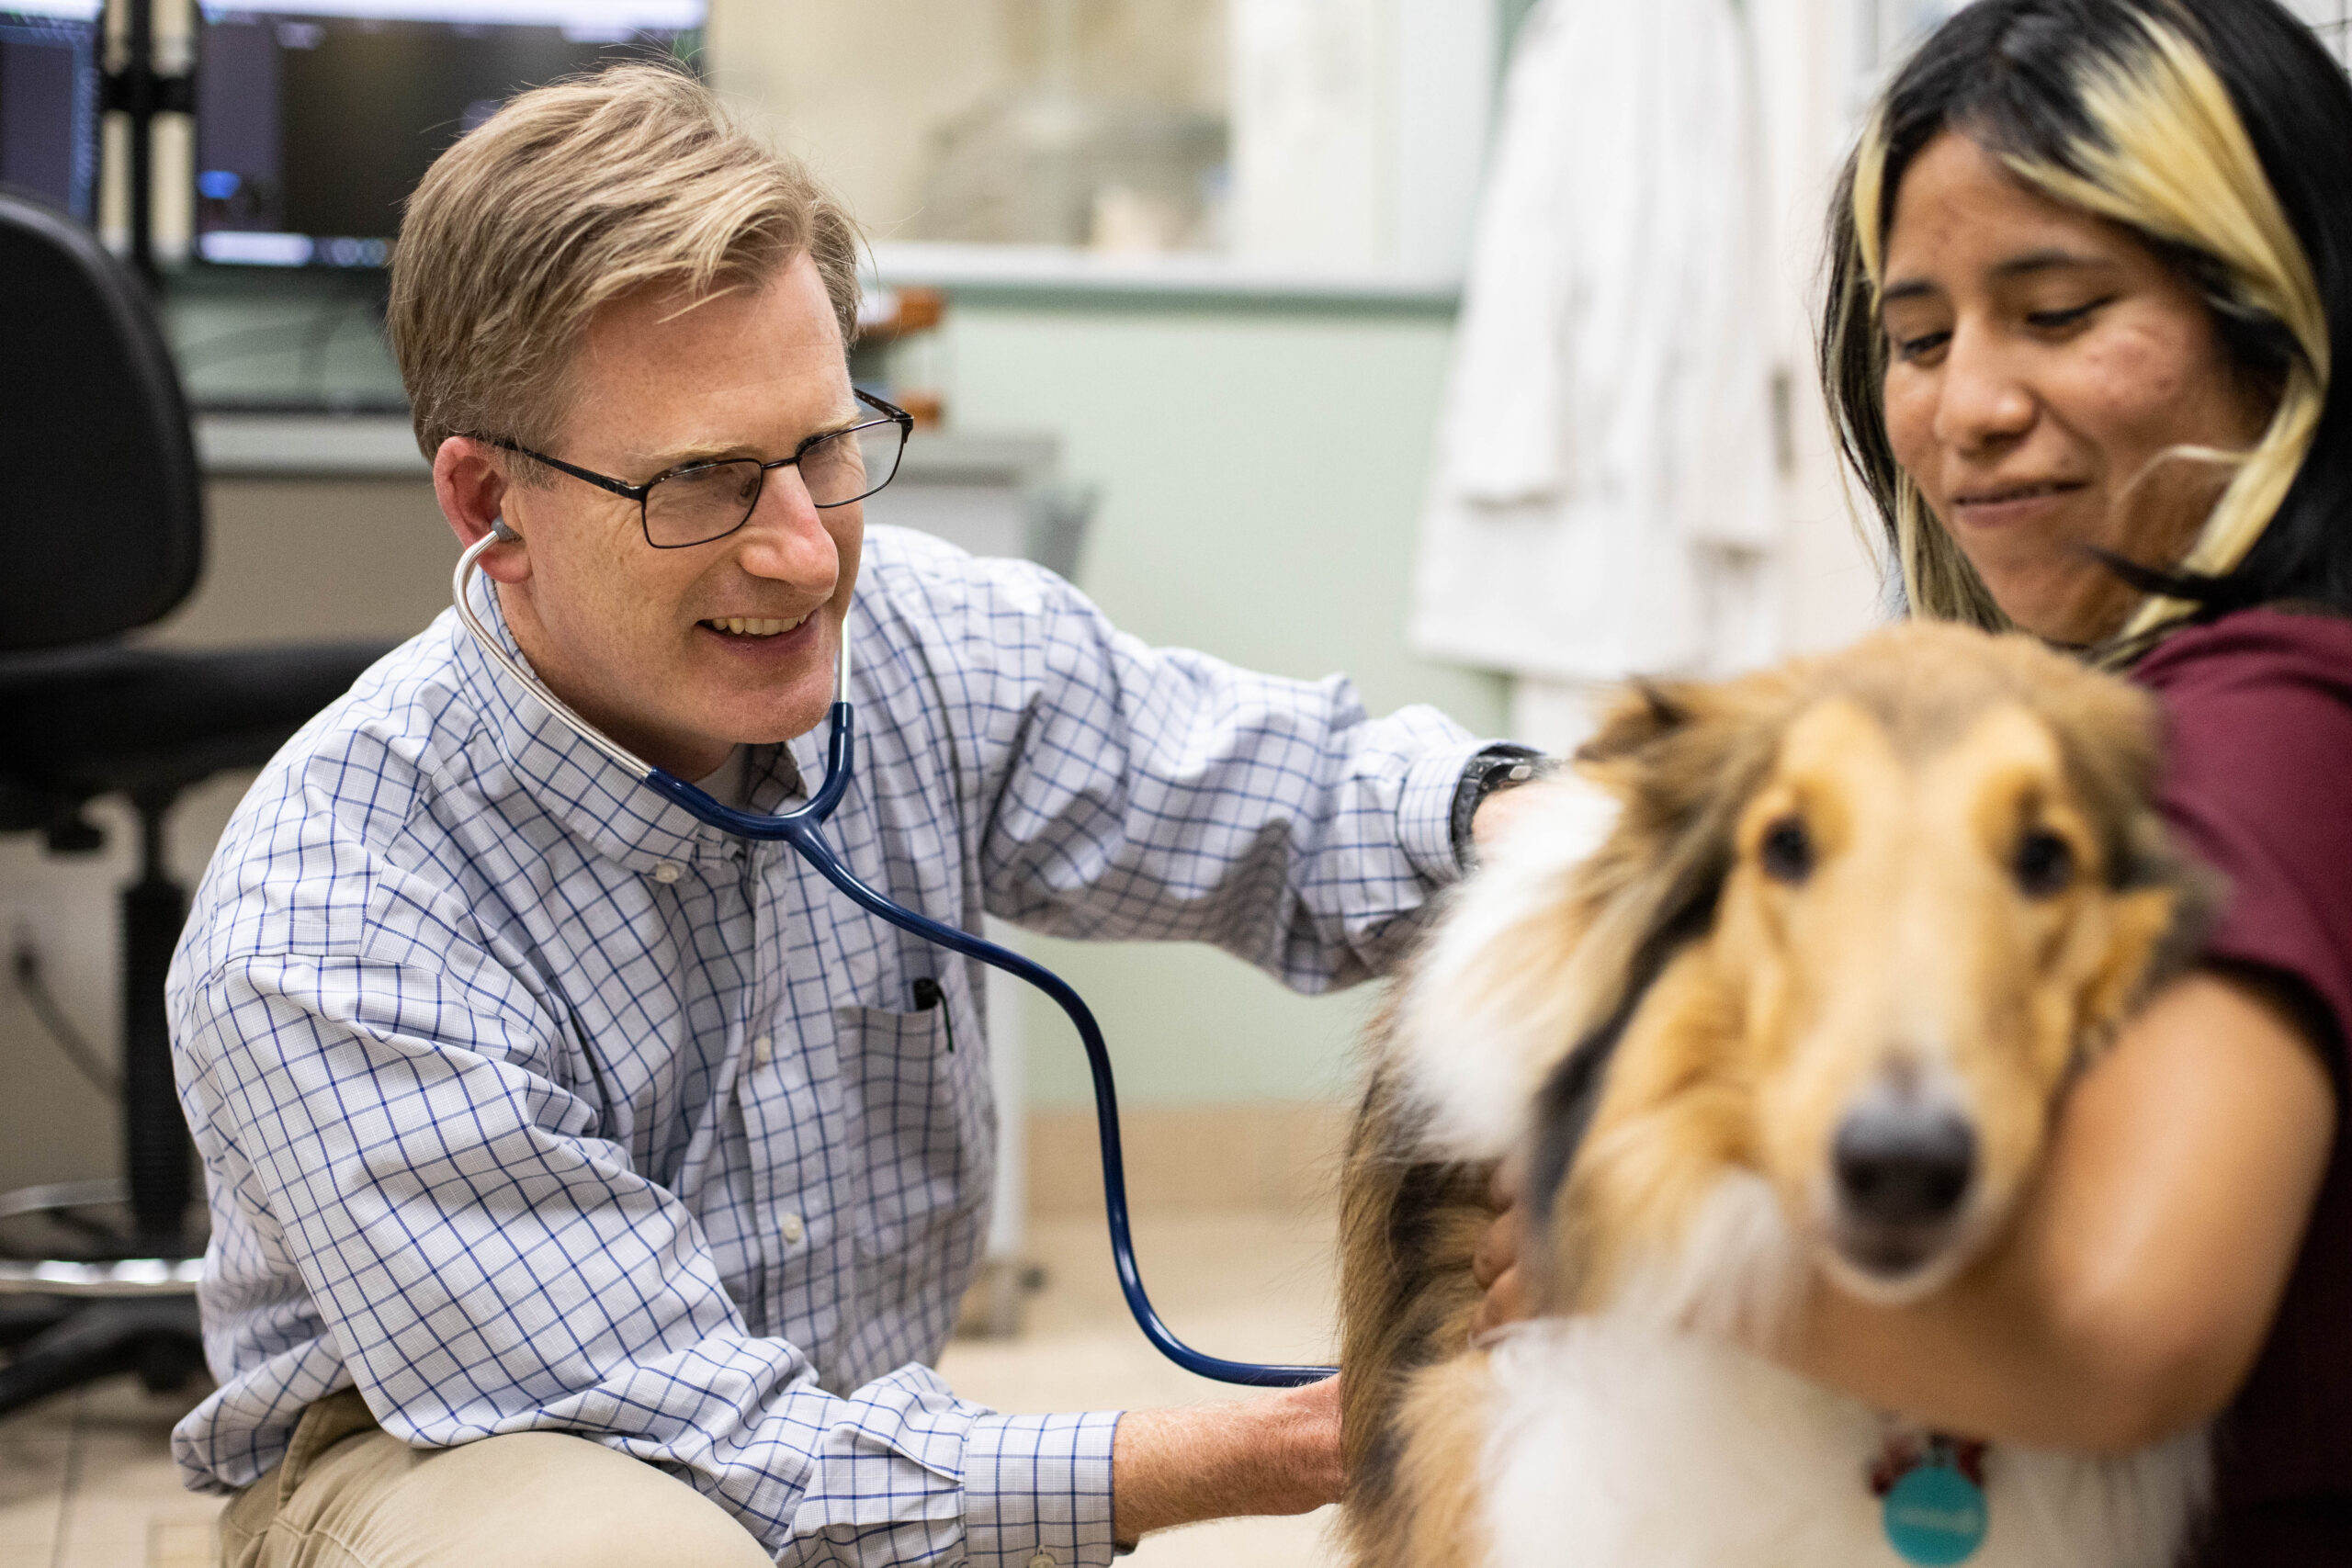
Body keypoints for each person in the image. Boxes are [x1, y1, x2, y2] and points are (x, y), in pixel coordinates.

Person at [167, 64, 1538, 1568]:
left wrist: (1540, 830)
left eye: (825, 450)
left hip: (827, 1439)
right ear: (489, 501)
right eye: (700, 482)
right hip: (449, 1463)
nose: (806, 557)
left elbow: (1289, 796)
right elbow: (713, 1447)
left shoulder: (929, 647)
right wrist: (1280, 1450)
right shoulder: (329, 923)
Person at [1471, 0, 2352, 1559]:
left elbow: (2129, 1336)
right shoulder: (2133, 688)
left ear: (2279, 318)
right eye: (1922, 337)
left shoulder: (2270, 718)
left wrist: (1625, 1248)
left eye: (2063, 310)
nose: (1969, 409)